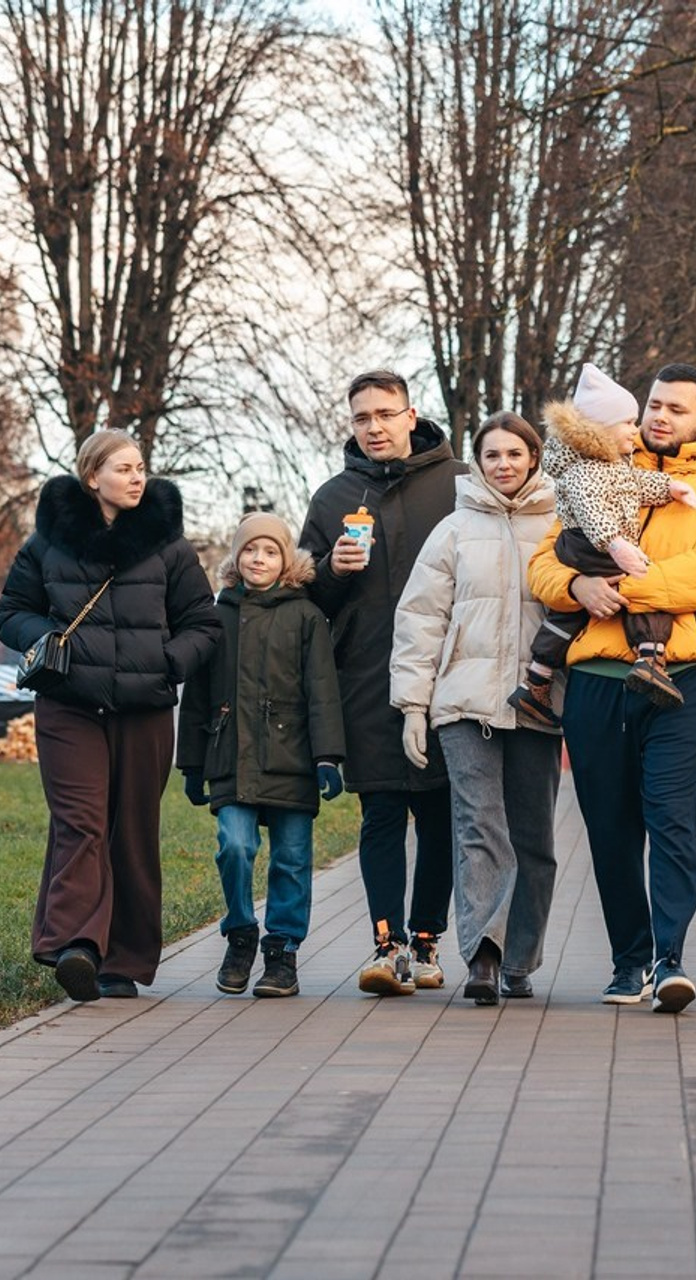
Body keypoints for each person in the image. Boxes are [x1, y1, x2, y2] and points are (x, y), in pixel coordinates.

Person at [528, 363, 696, 1013]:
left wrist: (618, 590)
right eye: (653, 404)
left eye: (676, 409)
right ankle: (630, 961)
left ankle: (669, 957)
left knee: (672, 823)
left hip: (680, 681)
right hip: (596, 680)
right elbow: (546, 561)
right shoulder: (592, 468)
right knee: (610, 829)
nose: (659, 416)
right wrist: (575, 588)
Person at [0, 430, 219, 1001]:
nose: (137, 477)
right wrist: (46, 636)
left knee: (133, 831)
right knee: (81, 822)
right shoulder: (48, 542)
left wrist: (168, 661)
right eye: (123, 468)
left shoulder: (169, 546)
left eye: (141, 467)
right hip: (69, 705)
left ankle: (122, 960)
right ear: (91, 476)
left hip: (144, 710)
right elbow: (11, 610)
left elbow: (203, 621)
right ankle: (77, 946)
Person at [300, 369, 466, 996]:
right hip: (366, 677)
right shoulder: (333, 496)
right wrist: (331, 568)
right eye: (362, 418)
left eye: (384, 414)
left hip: (448, 673)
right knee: (381, 813)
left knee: (441, 811)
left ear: (411, 414)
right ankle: (385, 944)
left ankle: (427, 942)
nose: (374, 427)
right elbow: (307, 593)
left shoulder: (459, 484)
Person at [390, 412, 561, 1006]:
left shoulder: (561, 527)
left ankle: (520, 957)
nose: (504, 464)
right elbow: (420, 620)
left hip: (540, 705)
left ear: (533, 459)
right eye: (492, 455)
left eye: (515, 454)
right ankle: (484, 956)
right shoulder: (454, 530)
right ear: (478, 463)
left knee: (534, 836)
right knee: (479, 827)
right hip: (465, 705)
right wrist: (414, 704)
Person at [176, 513, 347, 999]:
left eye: (270, 551)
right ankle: (240, 932)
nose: (259, 559)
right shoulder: (218, 613)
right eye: (251, 550)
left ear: (286, 559)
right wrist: (192, 763)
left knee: (292, 859)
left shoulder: (306, 615)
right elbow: (198, 693)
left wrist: (328, 757)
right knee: (234, 845)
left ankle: (282, 951)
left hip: (292, 755)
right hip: (231, 752)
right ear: (237, 557)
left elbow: (323, 691)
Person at [508, 363, 696, 725]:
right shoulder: (585, 471)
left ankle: (535, 680)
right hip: (589, 545)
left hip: (585, 546)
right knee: (644, 585)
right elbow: (592, 510)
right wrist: (616, 546)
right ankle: (650, 657)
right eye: (628, 422)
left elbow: (635, 483)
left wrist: (669, 488)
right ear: (600, 429)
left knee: (567, 615)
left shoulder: (610, 464)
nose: (635, 428)